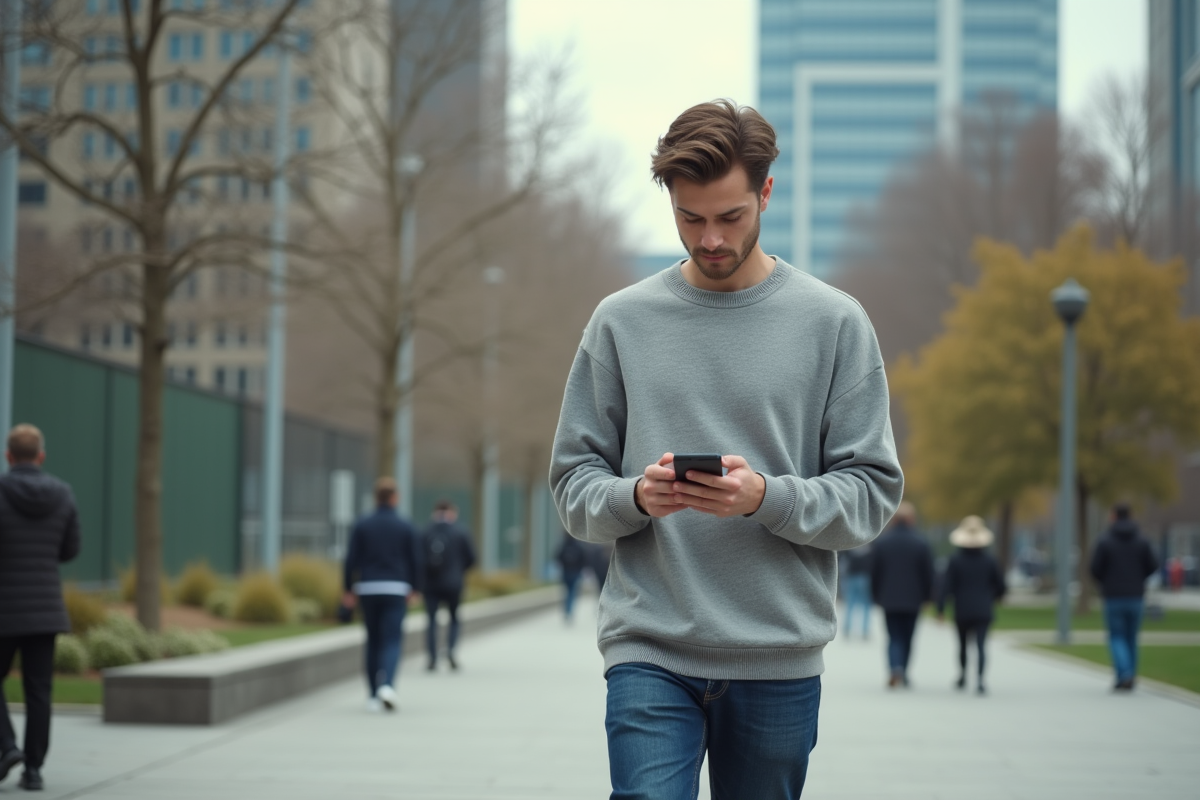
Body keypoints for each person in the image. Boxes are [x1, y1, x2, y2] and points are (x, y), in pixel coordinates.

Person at [549, 100, 904, 798]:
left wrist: (766, 498)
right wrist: (635, 497)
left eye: (730, 217)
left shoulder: (834, 323)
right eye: (689, 218)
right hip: (648, 647)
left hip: (778, 656)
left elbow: (870, 495)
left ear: (766, 193)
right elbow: (572, 486)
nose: (709, 238)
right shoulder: (620, 323)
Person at [0, 424, 81, 792]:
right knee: (39, 691)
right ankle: (33, 770)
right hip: (46, 609)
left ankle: (6, 746)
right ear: (41, 456)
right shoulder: (63, 493)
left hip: (4, 607)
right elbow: (70, 549)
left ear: (8, 455)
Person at [342, 477, 422, 712]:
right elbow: (415, 559)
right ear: (395, 497)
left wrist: (348, 589)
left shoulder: (363, 524)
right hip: (396, 588)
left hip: (367, 587)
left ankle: (372, 694)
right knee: (392, 640)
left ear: (376, 498)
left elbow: (350, 559)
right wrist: (415, 588)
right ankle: (387, 685)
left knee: (373, 640)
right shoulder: (405, 525)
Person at [1090, 503, 1158, 691]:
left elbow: (1095, 568)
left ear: (1113, 516)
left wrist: (1106, 582)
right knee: (1131, 637)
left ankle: (1124, 673)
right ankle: (1130, 675)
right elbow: (1152, 566)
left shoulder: (1105, 541)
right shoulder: (1142, 540)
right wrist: (1138, 579)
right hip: (1136, 595)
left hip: (1113, 596)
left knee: (1116, 636)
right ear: (1131, 515)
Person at [936, 516, 1007, 695]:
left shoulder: (955, 560)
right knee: (981, 646)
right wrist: (996, 597)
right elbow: (1000, 585)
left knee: (962, 645)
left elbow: (946, 586)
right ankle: (981, 680)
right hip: (983, 608)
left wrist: (941, 608)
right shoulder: (990, 561)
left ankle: (962, 675)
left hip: (962, 609)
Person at [870, 502, 934, 688]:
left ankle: (894, 668)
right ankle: (904, 671)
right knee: (908, 637)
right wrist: (929, 596)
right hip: (913, 599)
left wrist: (876, 594)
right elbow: (928, 573)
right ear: (911, 519)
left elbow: (875, 572)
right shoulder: (921, 543)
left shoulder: (882, 542)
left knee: (893, 636)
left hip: (889, 598)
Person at [421, 500, 475, 671]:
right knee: (453, 618)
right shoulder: (460, 531)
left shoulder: (425, 531)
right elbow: (472, 558)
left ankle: (432, 657)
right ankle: (451, 651)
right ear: (452, 512)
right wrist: (459, 571)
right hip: (453, 583)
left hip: (430, 585)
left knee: (431, 620)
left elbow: (417, 558)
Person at [841, 544, 873, 640]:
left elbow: (844, 562)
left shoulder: (851, 544)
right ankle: (865, 631)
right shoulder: (870, 545)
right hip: (865, 577)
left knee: (850, 604)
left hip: (852, 576)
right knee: (866, 606)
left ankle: (847, 629)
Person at [555, 531, 587, 623]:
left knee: (566, 592)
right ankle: (569, 611)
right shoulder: (578, 546)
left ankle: (566, 610)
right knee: (572, 592)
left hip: (566, 572)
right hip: (576, 573)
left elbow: (557, 558)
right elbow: (584, 560)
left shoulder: (563, 546)